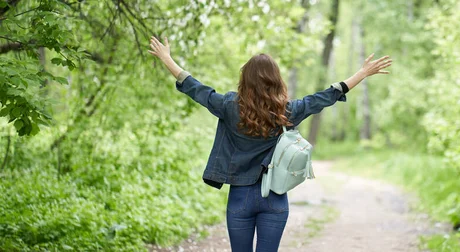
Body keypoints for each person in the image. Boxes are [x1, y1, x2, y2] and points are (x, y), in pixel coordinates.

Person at [148, 36, 392, 252]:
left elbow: (195, 88)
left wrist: (167, 58)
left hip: (239, 198)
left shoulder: (229, 106)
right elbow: (324, 97)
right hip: (274, 197)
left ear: (245, 80)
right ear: (275, 80)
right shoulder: (287, 111)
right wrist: (362, 73)